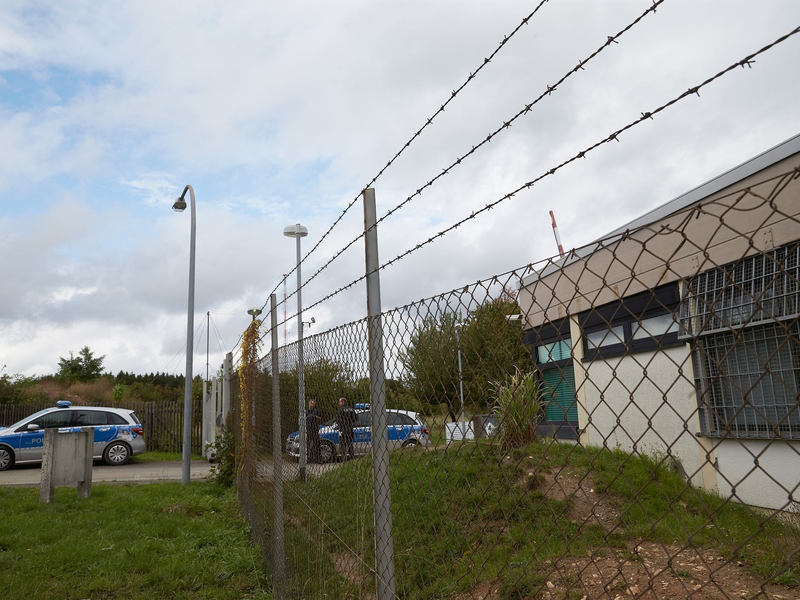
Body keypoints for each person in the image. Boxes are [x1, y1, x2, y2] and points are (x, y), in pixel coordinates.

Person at [306, 399, 321, 463]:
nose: (313, 405)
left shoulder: (316, 411)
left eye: (314, 404)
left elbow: (320, 418)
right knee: (308, 445)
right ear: (309, 404)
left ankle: (318, 459)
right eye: (312, 404)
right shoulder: (306, 411)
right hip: (309, 429)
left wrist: (314, 417)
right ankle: (308, 458)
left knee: (317, 444)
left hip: (315, 429)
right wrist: (311, 417)